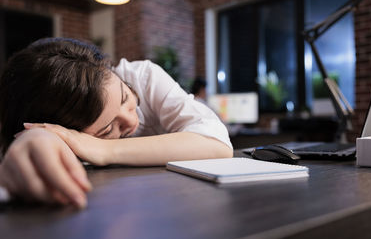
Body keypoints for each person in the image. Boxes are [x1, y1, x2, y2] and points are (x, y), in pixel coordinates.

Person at [0, 38, 233, 209]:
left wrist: (104, 148)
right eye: (108, 129)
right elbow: (48, 137)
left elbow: (217, 144)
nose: (132, 120)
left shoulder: (143, 77)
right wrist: (38, 137)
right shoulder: (64, 125)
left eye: (125, 97)